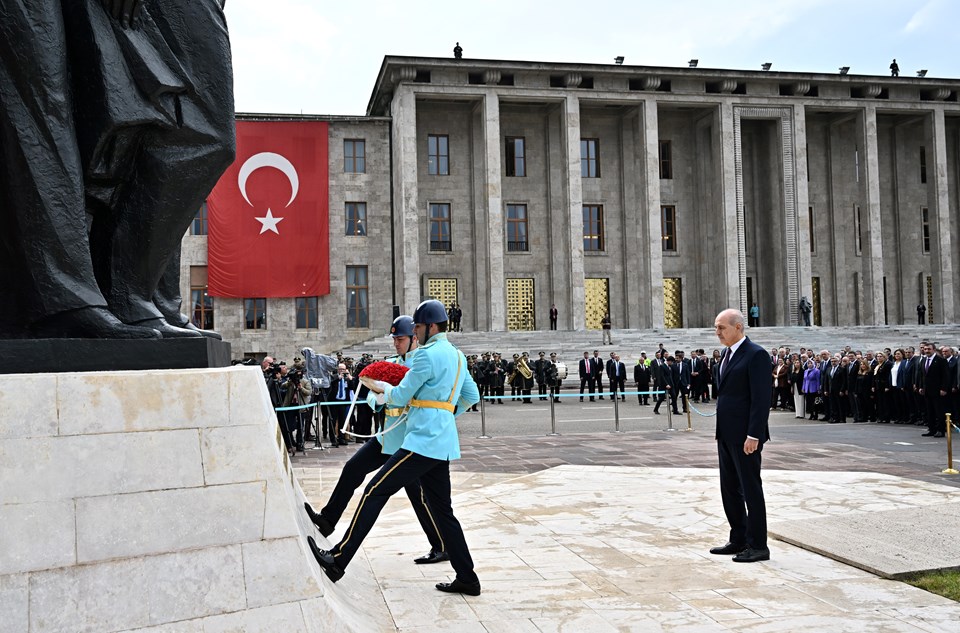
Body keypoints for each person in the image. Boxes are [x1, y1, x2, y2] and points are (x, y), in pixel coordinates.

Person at [307, 299, 482, 595]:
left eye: (417, 326)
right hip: (441, 440)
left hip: (423, 440)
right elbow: (470, 394)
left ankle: (338, 560)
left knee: (375, 491)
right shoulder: (457, 355)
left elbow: (400, 397)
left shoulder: (426, 355)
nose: (414, 331)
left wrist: (380, 389)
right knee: (443, 512)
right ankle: (467, 577)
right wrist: (444, 413)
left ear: (430, 326)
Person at [304, 315, 449, 565]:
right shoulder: (390, 363)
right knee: (352, 469)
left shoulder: (423, 361)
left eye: (400, 339)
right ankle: (328, 520)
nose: (396, 344)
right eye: (393, 339)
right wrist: (378, 398)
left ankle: (440, 545)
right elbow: (372, 394)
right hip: (386, 437)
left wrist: (391, 394)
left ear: (414, 338)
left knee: (419, 496)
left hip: (408, 441)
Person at [709, 308, 771, 563]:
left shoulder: (756, 355)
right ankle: (739, 538)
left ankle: (758, 545)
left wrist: (754, 434)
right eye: (716, 327)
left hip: (746, 436)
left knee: (750, 489)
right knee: (729, 489)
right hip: (725, 433)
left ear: (738, 327)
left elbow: (761, 398)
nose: (717, 332)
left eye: (722, 327)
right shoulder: (726, 354)